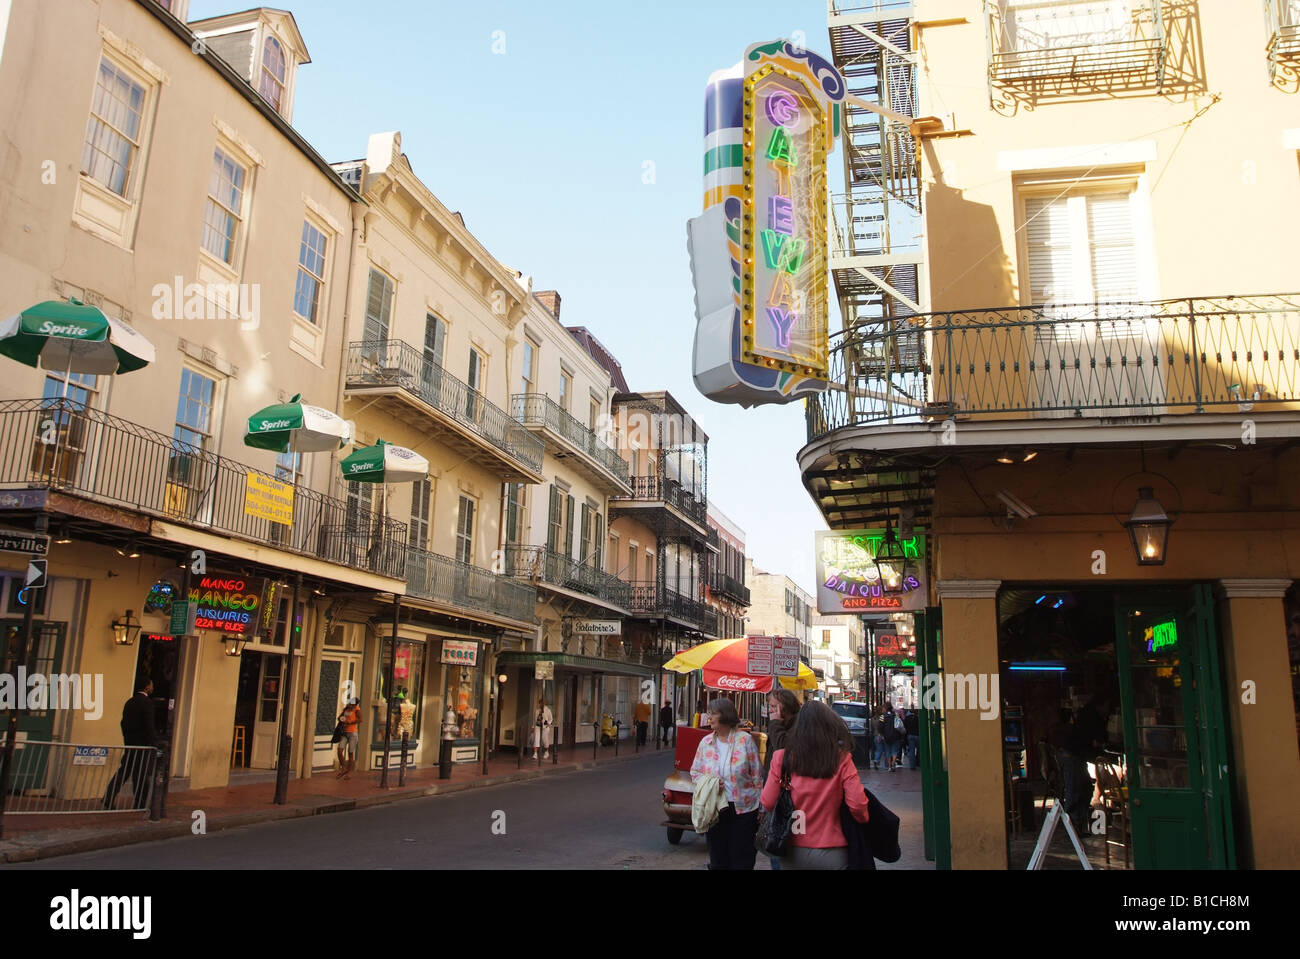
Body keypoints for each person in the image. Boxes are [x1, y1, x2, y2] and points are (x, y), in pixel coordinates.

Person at [761, 701, 870, 869]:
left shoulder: (781, 757)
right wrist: (863, 820)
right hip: (832, 848)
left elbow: (767, 801)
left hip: (792, 847)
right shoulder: (842, 759)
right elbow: (857, 804)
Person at [690, 697, 764, 869]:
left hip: (744, 810)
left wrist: (761, 807)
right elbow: (695, 772)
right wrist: (710, 783)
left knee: (742, 859)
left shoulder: (744, 740)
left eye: (713, 713)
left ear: (725, 715)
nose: (709, 717)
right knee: (718, 859)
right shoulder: (705, 743)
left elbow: (757, 775)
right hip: (715, 809)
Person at [103, 678, 159, 809]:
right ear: (146, 687)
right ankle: (140, 803)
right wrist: (154, 743)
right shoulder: (147, 704)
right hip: (142, 746)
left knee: (124, 772)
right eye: (151, 685)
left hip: (130, 744)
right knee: (141, 776)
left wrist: (128, 738)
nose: (152, 687)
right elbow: (149, 726)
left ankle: (108, 796)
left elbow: (123, 723)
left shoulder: (129, 702)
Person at [1059, 695, 1111, 834]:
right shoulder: (1092, 717)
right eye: (1107, 706)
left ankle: (1078, 823)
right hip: (1073, 755)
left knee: (1084, 787)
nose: (1108, 710)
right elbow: (1096, 740)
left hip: (1075, 755)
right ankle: (1073, 827)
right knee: (1075, 789)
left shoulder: (1087, 714)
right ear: (1102, 705)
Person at [762, 688, 802, 870]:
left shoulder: (795, 727)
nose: (769, 710)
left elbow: (782, 751)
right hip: (776, 793)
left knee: (782, 840)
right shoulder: (782, 726)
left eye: (773, 706)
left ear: (784, 709)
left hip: (789, 797)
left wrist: (775, 725)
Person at [337, 697, 362, 779]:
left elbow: (360, 719)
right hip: (344, 732)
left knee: (350, 752)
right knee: (340, 750)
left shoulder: (357, 710)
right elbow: (339, 717)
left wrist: (350, 722)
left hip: (352, 733)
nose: (352, 705)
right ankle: (343, 768)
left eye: (353, 704)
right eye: (351, 704)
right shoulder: (346, 709)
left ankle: (348, 773)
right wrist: (342, 719)